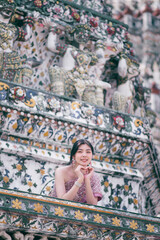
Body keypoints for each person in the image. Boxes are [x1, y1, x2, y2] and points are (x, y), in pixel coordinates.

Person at [50, 139, 102, 205]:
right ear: (73, 156)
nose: (84, 155)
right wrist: (80, 179)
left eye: (88, 152)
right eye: (80, 152)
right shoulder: (61, 172)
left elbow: (93, 205)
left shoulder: (94, 177)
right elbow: (62, 202)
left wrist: (87, 179)